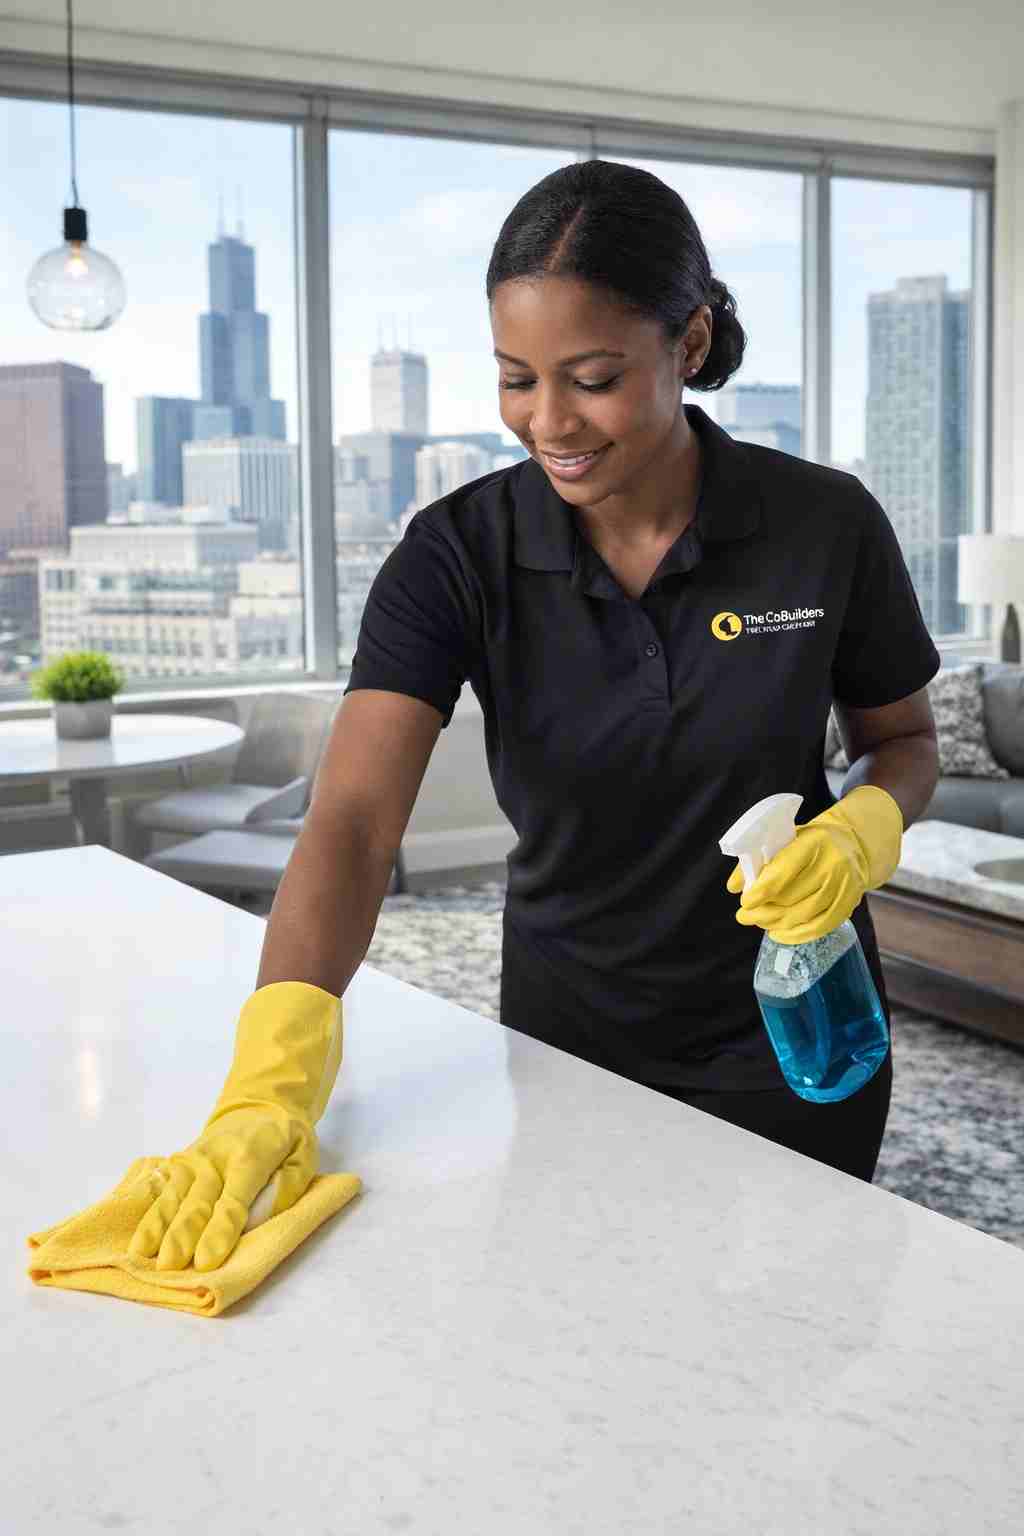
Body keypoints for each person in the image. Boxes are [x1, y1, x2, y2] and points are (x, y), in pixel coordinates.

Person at [130, 160, 941, 1273]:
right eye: (516, 379)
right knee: (582, 1328)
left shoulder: (822, 523)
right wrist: (269, 1074)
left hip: (799, 1029)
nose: (547, 421)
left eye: (593, 378)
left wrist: (861, 831)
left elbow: (904, 741)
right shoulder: (456, 554)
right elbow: (355, 822)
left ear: (690, 345)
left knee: (805, 1336)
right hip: (571, 1032)